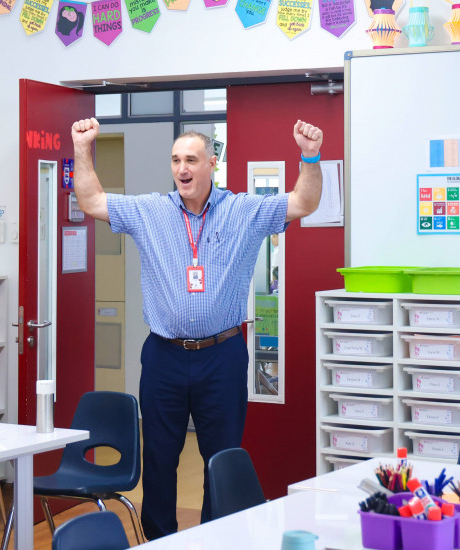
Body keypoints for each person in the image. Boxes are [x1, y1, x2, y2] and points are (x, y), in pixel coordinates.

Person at [69, 116, 325, 538]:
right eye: (175, 160)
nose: (182, 169)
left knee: (220, 457)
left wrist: (310, 156)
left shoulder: (244, 210)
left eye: (191, 159)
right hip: (164, 355)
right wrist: (82, 149)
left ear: (212, 163)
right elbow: (93, 201)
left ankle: (216, 538)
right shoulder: (149, 210)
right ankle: (159, 541)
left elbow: (304, 201)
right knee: (160, 458)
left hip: (221, 355)